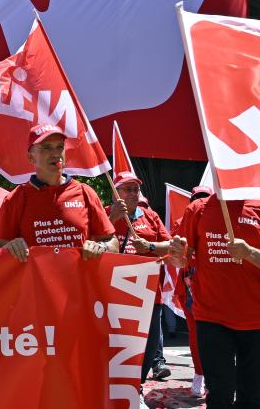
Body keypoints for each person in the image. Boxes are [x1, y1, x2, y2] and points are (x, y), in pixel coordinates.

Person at [169, 192, 260, 408]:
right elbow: (185, 257)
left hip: (255, 320)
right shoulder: (198, 209)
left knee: (252, 395)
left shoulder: (257, 205)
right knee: (219, 393)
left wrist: (249, 253)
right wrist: (177, 257)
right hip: (211, 318)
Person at [0, 124, 118, 261]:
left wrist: (102, 247)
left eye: (60, 147)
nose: (56, 154)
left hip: (80, 282)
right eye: (47, 148)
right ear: (30, 158)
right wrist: (10, 247)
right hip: (36, 282)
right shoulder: (16, 198)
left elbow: (113, 243)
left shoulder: (85, 192)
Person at [107, 172, 171, 399]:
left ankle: (137, 387)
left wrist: (150, 246)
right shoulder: (105, 214)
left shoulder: (150, 216)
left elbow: (170, 246)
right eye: (127, 189)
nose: (133, 194)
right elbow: (91, 242)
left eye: (136, 189)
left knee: (149, 345)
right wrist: (112, 219)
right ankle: (117, 390)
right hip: (116, 294)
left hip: (149, 293)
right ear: (116, 194)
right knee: (119, 347)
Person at [171, 185, 212, 398]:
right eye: (197, 199)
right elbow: (175, 252)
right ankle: (199, 375)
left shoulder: (220, 223)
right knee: (197, 336)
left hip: (213, 290)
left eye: (205, 198)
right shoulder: (182, 224)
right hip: (191, 291)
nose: (200, 203)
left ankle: (211, 377)